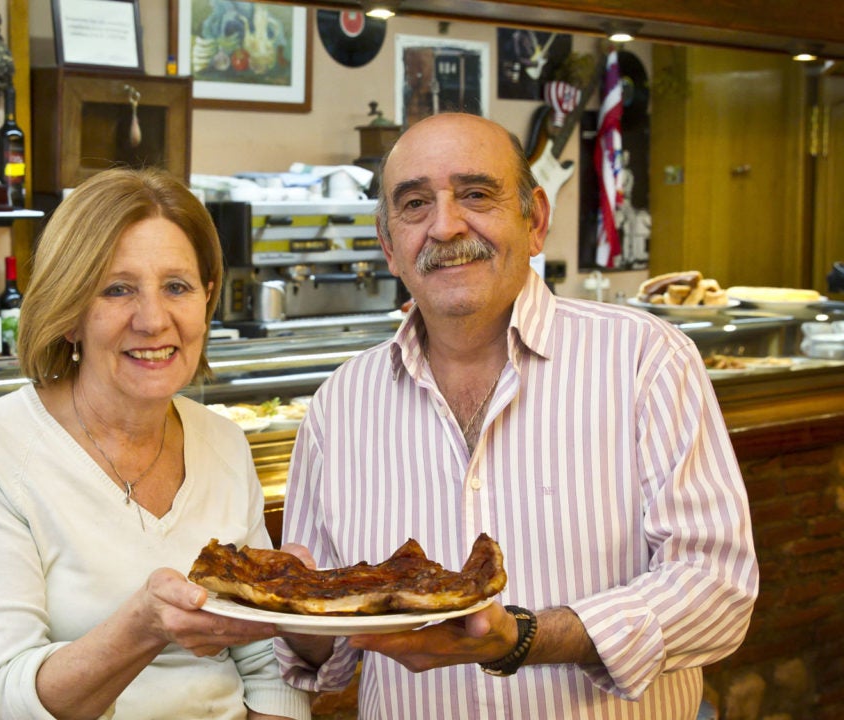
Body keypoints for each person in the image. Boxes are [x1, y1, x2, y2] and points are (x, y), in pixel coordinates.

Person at [274, 113, 759, 719]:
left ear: (536, 219)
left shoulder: (645, 359)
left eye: (476, 194)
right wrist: (288, 608)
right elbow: (317, 657)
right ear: (388, 246)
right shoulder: (338, 406)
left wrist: (525, 637)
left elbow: (716, 589)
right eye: (416, 204)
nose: (446, 226)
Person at [0, 167, 311, 720]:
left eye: (177, 287)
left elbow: (266, 666)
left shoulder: (223, 440)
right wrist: (144, 626)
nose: (153, 320)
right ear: (68, 313)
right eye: (117, 289)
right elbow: (8, 700)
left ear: (207, 299)